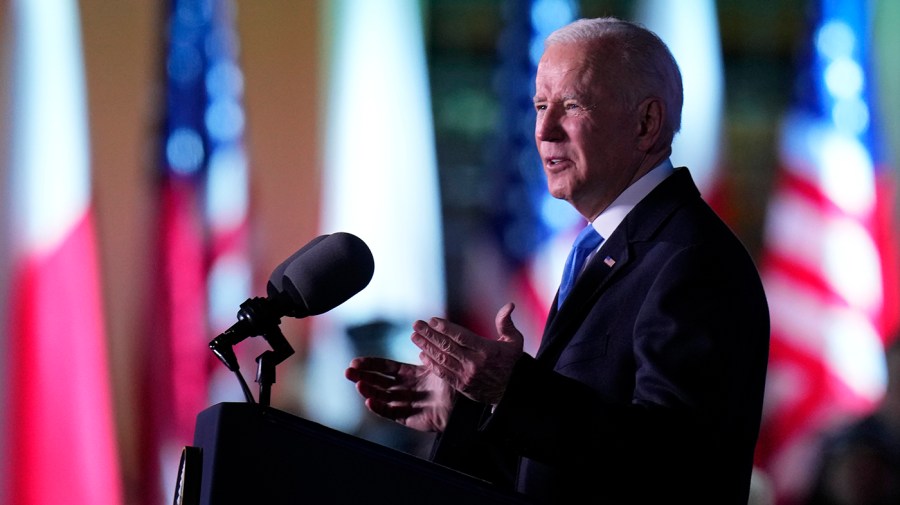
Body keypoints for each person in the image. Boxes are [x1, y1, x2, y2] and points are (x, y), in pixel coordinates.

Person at [345, 16, 770, 504]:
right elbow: (568, 460)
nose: (544, 130)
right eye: (540, 105)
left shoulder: (691, 260)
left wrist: (513, 391)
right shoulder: (606, 247)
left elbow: (674, 460)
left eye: (571, 105)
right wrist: (473, 409)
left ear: (647, 123)